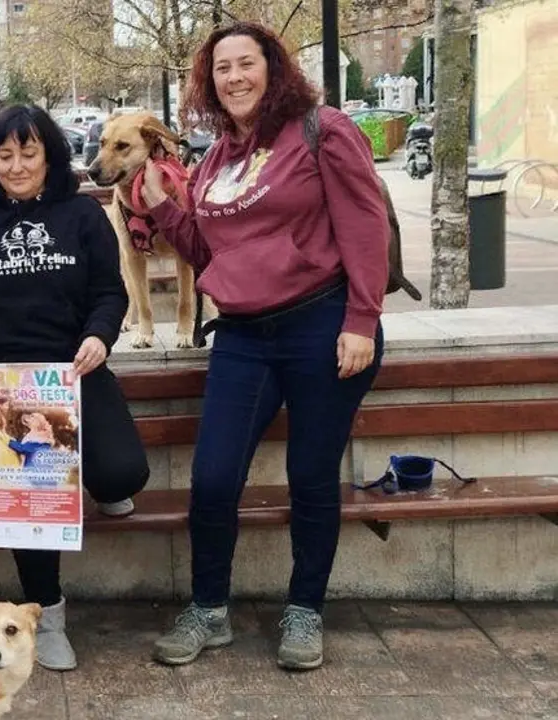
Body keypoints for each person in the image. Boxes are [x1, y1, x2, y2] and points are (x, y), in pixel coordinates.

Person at [141, 22, 389, 671]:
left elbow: (364, 223)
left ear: (272, 68)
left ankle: (305, 612)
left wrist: (361, 319)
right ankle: (209, 611)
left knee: (311, 475)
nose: (233, 77)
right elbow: (208, 252)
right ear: (209, 81)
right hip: (245, 335)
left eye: (245, 63)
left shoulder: (321, 129)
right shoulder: (218, 158)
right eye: (221, 69)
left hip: (321, 322)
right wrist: (165, 209)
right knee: (214, 477)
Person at [0, 104, 150, 671]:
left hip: (74, 369)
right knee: (30, 498)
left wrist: (99, 336)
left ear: (50, 155)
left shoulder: (82, 214)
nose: (15, 165)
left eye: (28, 152)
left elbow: (111, 291)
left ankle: (94, 480)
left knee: (124, 473)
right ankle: (48, 614)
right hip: (7, 387)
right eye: (3, 155)